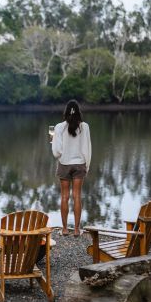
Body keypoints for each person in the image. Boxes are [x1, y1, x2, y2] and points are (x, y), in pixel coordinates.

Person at [51, 100, 91, 237]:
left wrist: (58, 150)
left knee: (64, 196)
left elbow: (56, 151)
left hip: (64, 164)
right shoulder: (85, 127)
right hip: (80, 164)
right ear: (78, 111)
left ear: (66, 112)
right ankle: (76, 229)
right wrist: (87, 165)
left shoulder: (59, 127)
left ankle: (64, 229)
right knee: (77, 196)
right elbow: (88, 148)